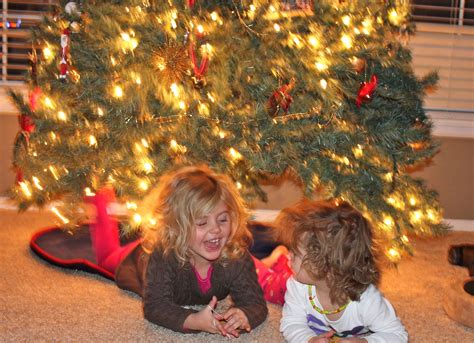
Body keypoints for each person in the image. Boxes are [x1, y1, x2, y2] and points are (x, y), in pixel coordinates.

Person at [87, 165, 268, 337]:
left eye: (222, 220)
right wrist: (194, 320)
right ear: (177, 227)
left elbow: (255, 304)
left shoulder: (237, 257)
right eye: (202, 223)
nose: (216, 230)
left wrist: (244, 314)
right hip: (136, 260)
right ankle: (100, 195)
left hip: (177, 242)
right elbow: (155, 306)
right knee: (107, 257)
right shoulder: (162, 256)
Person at [276, 199, 408, 343]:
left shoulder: (367, 299)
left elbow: (397, 335)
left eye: (295, 253)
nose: (288, 255)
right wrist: (309, 339)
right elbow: (291, 323)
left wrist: (365, 342)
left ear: (325, 266)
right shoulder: (297, 286)